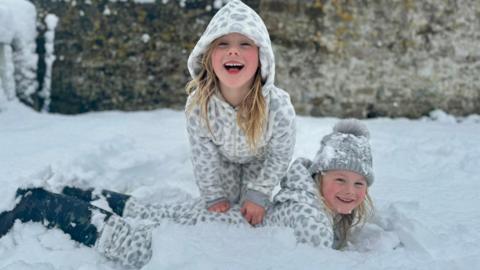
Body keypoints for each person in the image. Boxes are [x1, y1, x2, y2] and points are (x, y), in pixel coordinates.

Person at [0, 119, 374, 269]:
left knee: (147, 211)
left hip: (221, 222)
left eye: (359, 183)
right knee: (130, 240)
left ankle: (65, 193)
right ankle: (38, 204)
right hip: (214, 238)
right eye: (340, 180)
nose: (349, 190)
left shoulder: (305, 197)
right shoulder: (314, 223)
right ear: (320, 176)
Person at [184, 0, 296, 225]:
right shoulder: (199, 106)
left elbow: (280, 154)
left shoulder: (278, 107)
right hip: (223, 161)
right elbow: (203, 156)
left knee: (251, 213)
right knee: (224, 212)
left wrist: (260, 192)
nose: (233, 50)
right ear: (208, 55)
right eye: (223, 44)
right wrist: (212, 193)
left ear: (261, 56)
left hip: (259, 162)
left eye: (245, 43)